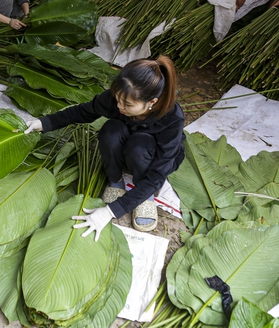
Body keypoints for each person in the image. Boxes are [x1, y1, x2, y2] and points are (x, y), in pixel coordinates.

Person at [25, 56, 185, 240]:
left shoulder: (172, 118)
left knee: (139, 146)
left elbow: (159, 172)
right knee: (111, 129)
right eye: (118, 99)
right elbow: (83, 111)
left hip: (148, 155)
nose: (119, 106)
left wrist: (110, 212)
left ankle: (145, 196)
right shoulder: (119, 99)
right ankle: (116, 181)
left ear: (152, 102)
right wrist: (44, 123)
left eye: (127, 104)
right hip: (126, 146)